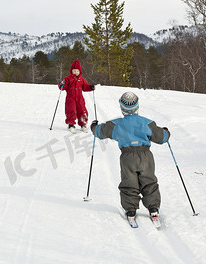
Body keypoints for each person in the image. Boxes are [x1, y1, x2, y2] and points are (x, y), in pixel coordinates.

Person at [90, 91, 170, 223]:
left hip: (127, 157)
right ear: (137, 107)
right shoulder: (146, 123)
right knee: (149, 181)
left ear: (122, 108)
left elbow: (100, 132)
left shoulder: (116, 124)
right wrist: (166, 132)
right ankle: (153, 208)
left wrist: (94, 126)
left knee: (129, 183)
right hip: (146, 156)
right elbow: (162, 137)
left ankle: (131, 209)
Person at [59, 59, 95, 133]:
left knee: (82, 111)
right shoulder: (68, 79)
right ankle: (71, 124)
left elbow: (85, 87)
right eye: (74, 71)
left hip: (80, 99)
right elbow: (63, 87)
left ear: (80, 72)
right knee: (71, 111)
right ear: (71, 71)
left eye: (77, 71)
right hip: (70, 99)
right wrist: (61, 84)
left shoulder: (82, 80)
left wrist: (90, 87)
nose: (76, 72)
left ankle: (83, 124)